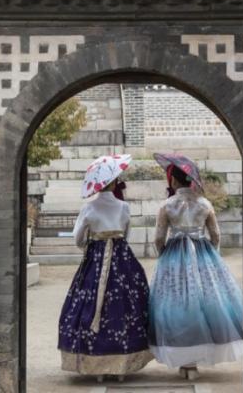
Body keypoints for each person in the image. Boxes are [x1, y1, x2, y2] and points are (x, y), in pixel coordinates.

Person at [148, 153, 243, 380]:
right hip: (202, 252)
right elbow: (216, 234)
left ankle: (186, 362)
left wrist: (164, 254)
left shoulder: (167, 205)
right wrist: (212, 253)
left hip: (174, 255)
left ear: (174, 180)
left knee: (176, 305)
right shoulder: (204, 204)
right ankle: (196, 360)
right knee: (208, 303)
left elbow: (159, 237)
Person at [58, 154, 153, 382]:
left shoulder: (89, 208)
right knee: (125, 306)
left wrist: (90, 246)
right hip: (122, 259)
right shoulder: (123, 207)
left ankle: (97, 365)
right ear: (114, 181)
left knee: (88, 305)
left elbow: (78, 238)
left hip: (96, 258)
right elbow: (126, 233)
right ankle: (121, 365)